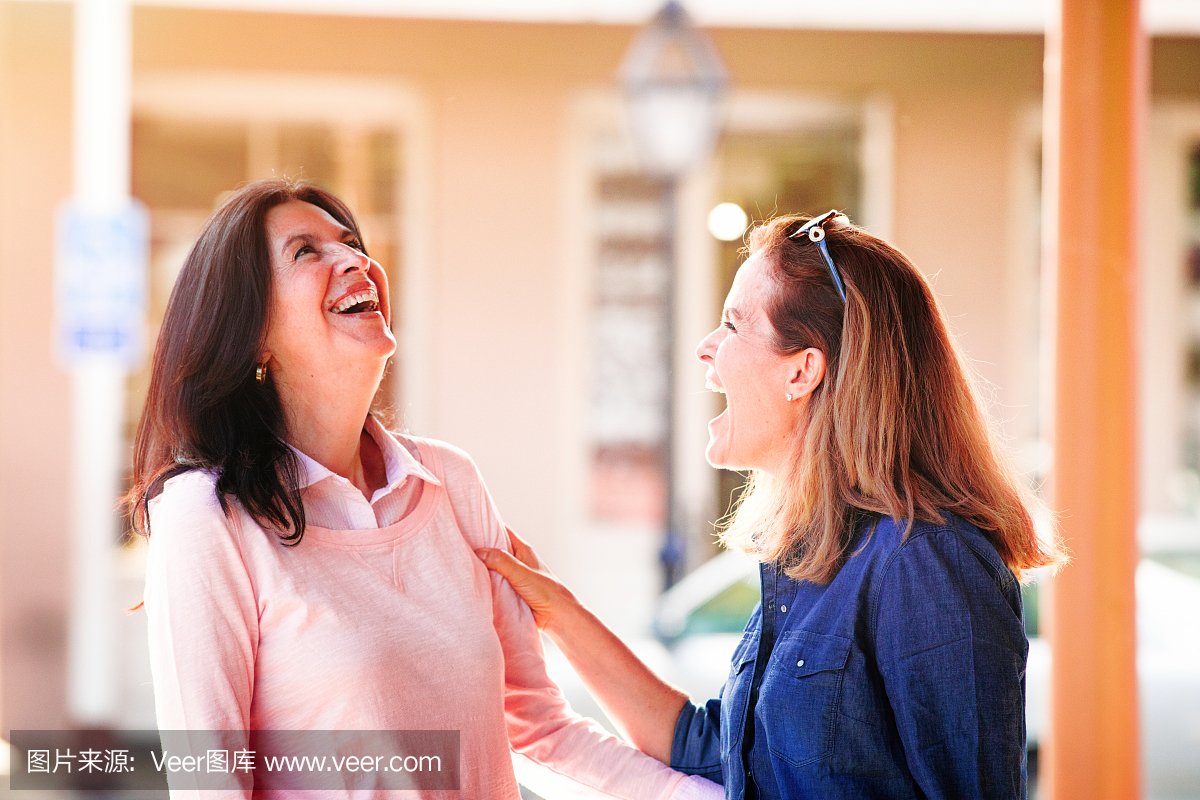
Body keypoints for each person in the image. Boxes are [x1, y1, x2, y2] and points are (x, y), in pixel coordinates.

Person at [128, 178, 722, 799]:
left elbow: (538, 731)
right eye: (306, 251)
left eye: (351, 242)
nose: (355, 259)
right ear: (252, 334)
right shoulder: (208, 515)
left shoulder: (451, 483)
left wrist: (703, 796)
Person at [479, 211, 1065, 800]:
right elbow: (712, 753)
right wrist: (558, 612)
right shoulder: (815, 558)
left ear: (803, 370)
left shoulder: (922, 561)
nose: (707, 349)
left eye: (733, 325)